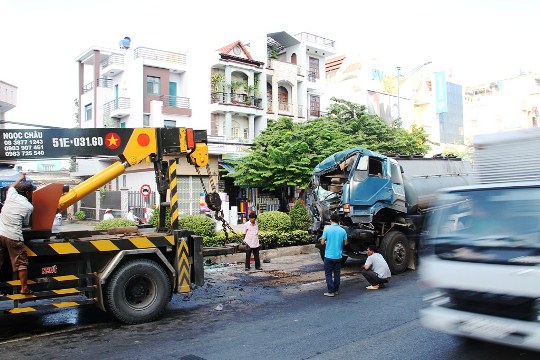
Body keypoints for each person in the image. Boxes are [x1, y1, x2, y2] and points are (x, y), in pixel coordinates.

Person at [0, 173, 36, 295]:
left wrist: (20, 178)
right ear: (27, 193)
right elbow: (25, 224)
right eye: (31, 192)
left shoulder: (11, 195)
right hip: (14, 236)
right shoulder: (28, 206)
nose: (32, 194)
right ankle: (24, 288)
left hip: (0, 234)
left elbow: (12, 186)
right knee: (21, 263)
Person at [320, 213, 348, 297]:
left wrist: (327, 242)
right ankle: (336, 290)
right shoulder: (343, 230)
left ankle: (330, 291)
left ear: (331, 220)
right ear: (339, 221)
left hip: (328, 256)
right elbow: (346, 243)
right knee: (337, 273)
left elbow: (322, 242)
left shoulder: (327, 229)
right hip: (338, 256)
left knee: (328, 274)